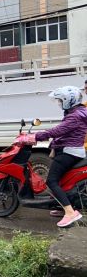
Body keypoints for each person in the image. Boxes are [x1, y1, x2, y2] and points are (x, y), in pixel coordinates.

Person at [20, 86, 87, 227]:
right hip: (70, 150)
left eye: (60, 100)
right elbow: (63, 133)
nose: (58, 103)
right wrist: (53, 147)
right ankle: (62, 206)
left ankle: (70, 213)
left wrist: (33, 137)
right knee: (61, 181)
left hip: (69, 152)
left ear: (69, 101)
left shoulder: (74, 116)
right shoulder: (75, 112)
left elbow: (56, 131)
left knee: (51, 181)